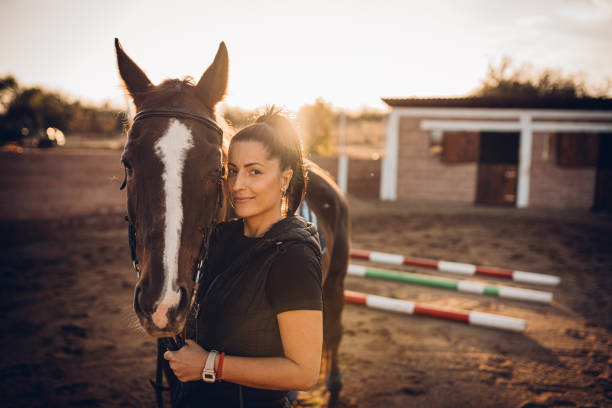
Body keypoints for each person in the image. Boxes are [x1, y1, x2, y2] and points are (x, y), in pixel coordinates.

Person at [163, 108, 323, 408]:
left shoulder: (293, 257)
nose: (237, 185)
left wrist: (208, 365)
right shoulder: (221, 240)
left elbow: (304, 373)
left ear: (285, 179)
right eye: (232, 170)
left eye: (255, 172)